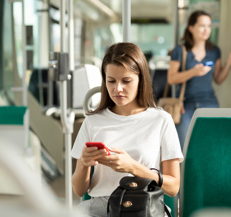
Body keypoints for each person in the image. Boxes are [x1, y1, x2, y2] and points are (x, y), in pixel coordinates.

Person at [71, 42, 183, 217]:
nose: (117, 89)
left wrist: (134, 168)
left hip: (144, 203)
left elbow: (173, 187)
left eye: (126, 81)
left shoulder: (161, 120)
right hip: (102, 206)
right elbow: (79, 190)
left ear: (140, 80)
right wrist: (85, 164)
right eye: (111, 81)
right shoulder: (93, 121)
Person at [167, 10, 231, 151]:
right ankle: (184, 174)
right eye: (202, 25)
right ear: (191, 28)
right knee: (184, 147)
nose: (206, 30)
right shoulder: (180, 51)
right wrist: (193, 72)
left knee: (210, 146)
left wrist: (229, 63)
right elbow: (171, 79)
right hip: (185, 105)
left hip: (210, 103)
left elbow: (218, 79)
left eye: (209, 26)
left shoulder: (214, 51)